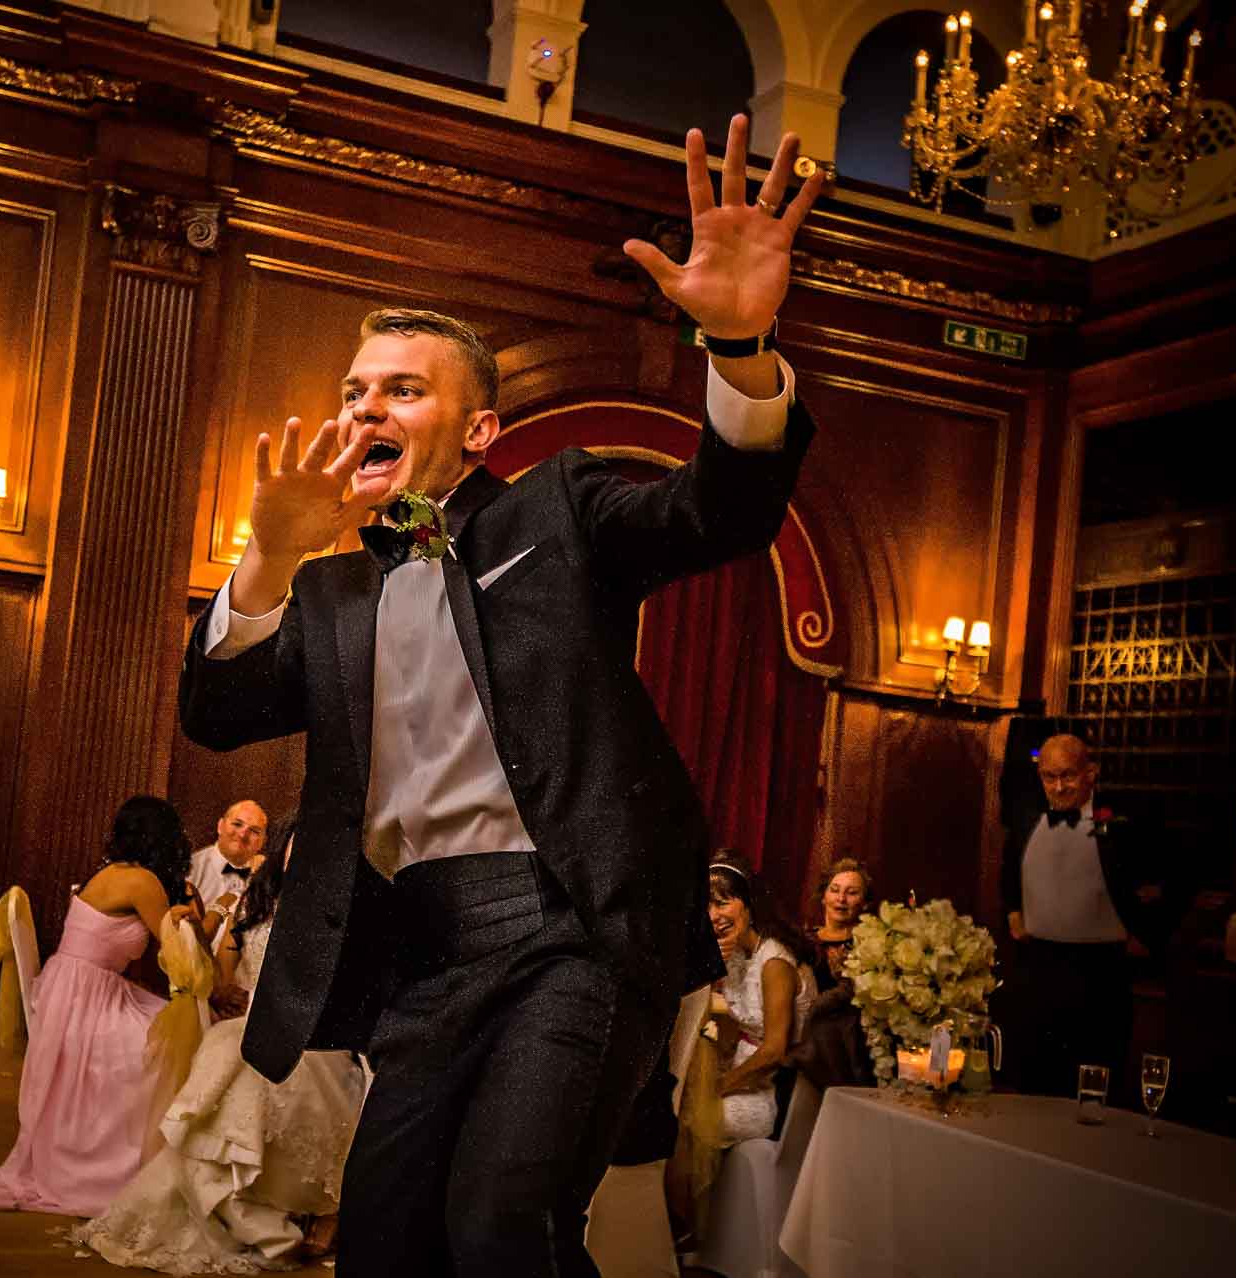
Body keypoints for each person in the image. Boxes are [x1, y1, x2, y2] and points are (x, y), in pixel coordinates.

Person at [179, 113, 822, 1274]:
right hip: (421, 949)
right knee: (382, 1242)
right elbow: (215, 715)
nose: (368, 407)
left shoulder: (554, 512)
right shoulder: (325, 593)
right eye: (355, 388)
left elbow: (715, 512)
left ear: (476, 430)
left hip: (574, 922)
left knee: (498, 1227)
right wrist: (266, 562)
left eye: (403, 391)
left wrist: (739, 351)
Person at [79, 830, 367, 1273]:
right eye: (298, 844)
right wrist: (199, 943)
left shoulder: (340, 917)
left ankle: (294, 1213)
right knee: (231, 1056)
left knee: (247, 1068)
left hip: (314, 1038)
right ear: (283, 851)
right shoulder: (250, 907)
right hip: (246, 1028)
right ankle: (242, 1214)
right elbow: (225, 982)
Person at [0, 795, 203, 1218]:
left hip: (78, 990)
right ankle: (120, 1165)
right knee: (168, 1044)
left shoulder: (117, 873)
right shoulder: (142, 882)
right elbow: (176, 949)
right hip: (84, 1001)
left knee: (165, 1021)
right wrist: (209, 915)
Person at [664, 862, 814, 1257]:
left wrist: (717, 1088)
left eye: (723, 903)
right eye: (706, 906)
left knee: (691, 1120)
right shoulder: (738, 958)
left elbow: (775, 1049)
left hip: (772, 1091)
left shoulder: (775, 963)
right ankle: (693, 1229)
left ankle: (689, 1231)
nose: (714, 916)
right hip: (743, 1071)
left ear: (748, 905)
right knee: (678, 1104)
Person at [1001, 733, 1155, 1097]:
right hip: (1036, 966)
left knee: (1092, 1082)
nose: (1058, 786)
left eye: (1068, 775)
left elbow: (1171, 877)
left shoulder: (1118, 823)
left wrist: (1149, 934)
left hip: (1099, 973)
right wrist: (1011, 910)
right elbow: (1009, 869)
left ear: (1091, 773)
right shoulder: (1026, 819)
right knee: (1034, 1079)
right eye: (1049, 777)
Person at [191, 799, 268, 913]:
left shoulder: (266, 876)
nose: (243, 835)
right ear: (220, 826)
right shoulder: (192, 868)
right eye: (237, 824)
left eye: (254, 831)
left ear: (262, 842)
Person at [807, 857, 871, 994]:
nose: (841, 899)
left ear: (865, 902)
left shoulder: (871, 944)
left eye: (852, 893)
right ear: (823, 897)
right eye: (835, 890)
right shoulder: (804, 942)